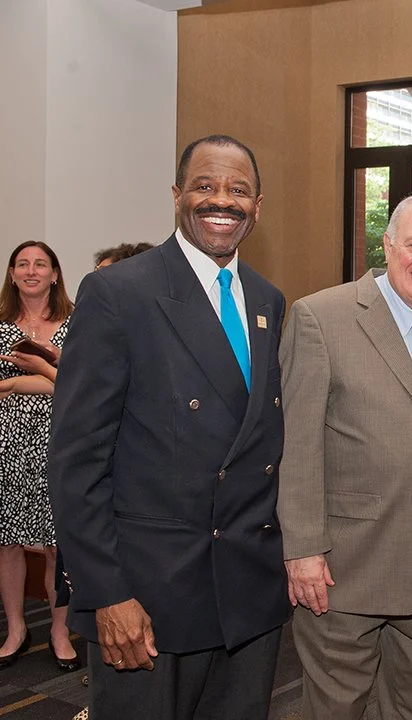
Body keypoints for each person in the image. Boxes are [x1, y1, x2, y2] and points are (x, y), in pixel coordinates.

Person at [47, 135, 290, 719]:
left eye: (238, 190)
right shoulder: (118, 293)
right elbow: (77, 462)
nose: (221, 201)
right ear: (178, 195)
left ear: (258, 207)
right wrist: (106, 593)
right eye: (205, 186)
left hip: (246, 597)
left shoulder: (268, 299)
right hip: (149, 598)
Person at [277, 192, 412, 719]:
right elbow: (296, 444)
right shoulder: (320, 317)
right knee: (333, 711)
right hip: (344, 572)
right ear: (388, 245)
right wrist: (302, 550)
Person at [0, 241, 77, 671]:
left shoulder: (78, 320)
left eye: (40, 264)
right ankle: (16, 628)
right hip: (6, 444)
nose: (31, 270)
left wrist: (13, 383)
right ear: (12, 275)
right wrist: (45, 379)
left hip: (62, 440)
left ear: (54, 274)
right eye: (22, 264)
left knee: (55, 545)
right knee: (6, 542)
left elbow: (85, 384)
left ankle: (60, 630)